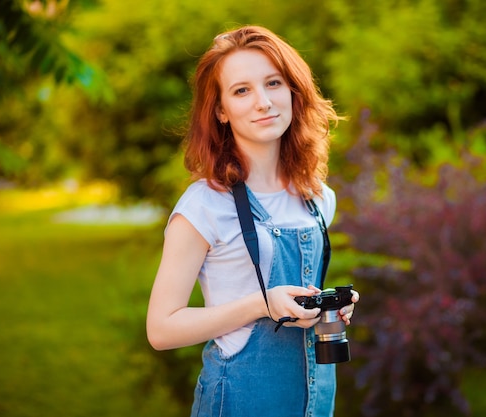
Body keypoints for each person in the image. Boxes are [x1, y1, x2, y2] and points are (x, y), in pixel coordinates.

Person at [146, 25, 359, 417]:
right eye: (242, 90)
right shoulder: (203, 206)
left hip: (315, 398)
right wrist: (262, 304)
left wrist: (327, 307)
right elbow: (161, 329)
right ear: (221, 111)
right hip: (240, 401)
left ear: (294, 92)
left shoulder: (316, 197)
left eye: (273, 83)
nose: (263, 102)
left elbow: (300, 291)